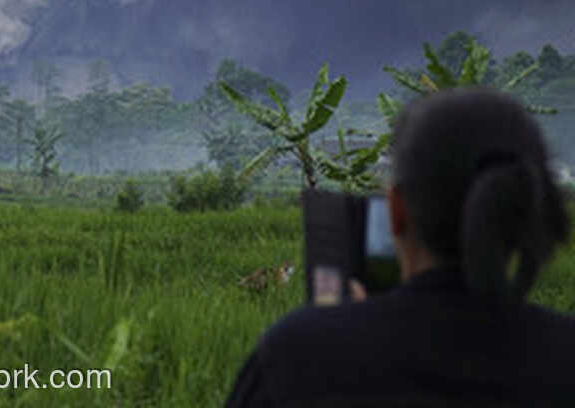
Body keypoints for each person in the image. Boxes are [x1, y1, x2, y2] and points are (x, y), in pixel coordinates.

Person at [226, 86, 575, 407]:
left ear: (395, 210)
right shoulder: (563, 358)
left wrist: (350, 332)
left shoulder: (292, 356)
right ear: (531, 212)